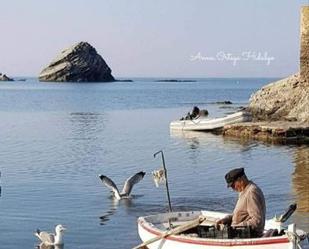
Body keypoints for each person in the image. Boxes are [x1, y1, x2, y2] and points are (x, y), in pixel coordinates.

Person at [216, 168, 266, 238]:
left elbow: (257, 221)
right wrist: (227, 219)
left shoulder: (251, 192)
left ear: (240, 180)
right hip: (239, 233)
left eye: (233, 185)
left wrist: (236, 227)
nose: (233, 189)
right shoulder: (244, 190)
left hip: (248, 236)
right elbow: (241, 213)